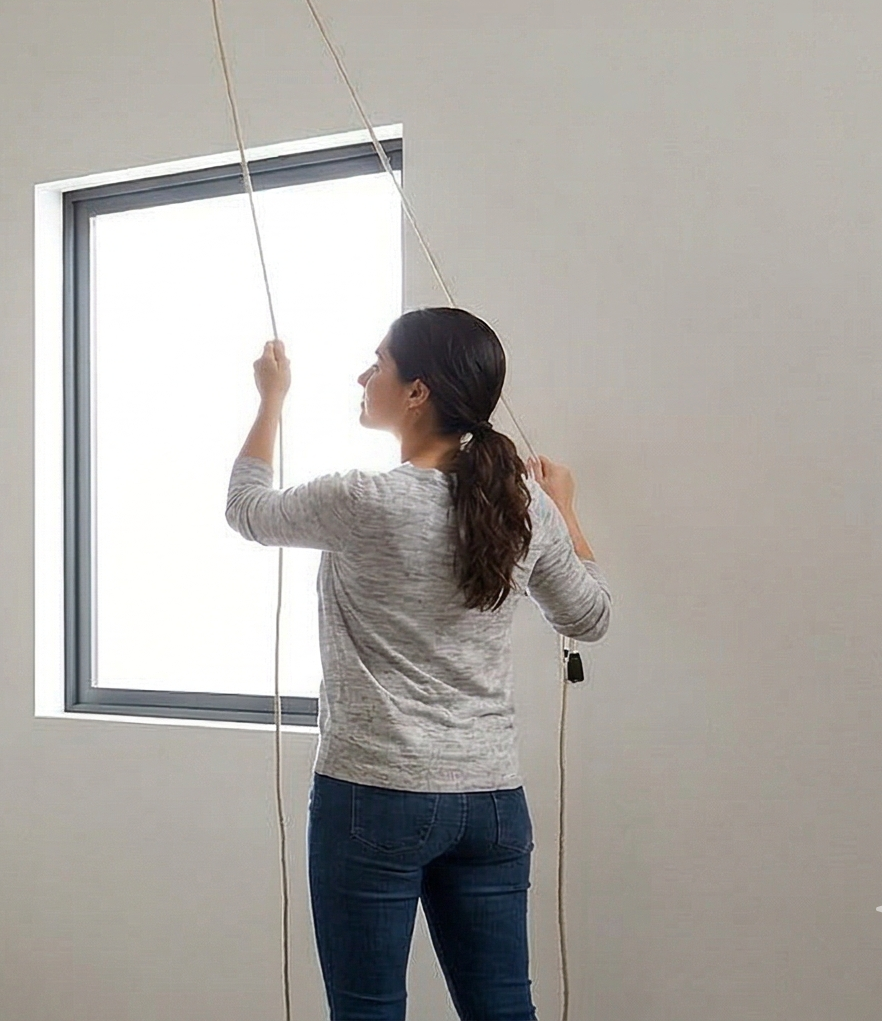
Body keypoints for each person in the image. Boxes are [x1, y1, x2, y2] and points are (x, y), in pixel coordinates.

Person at [227, 307, 610, 1021]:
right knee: (503, 1010)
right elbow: (589, 617)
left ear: (417, 392)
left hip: (374, 796)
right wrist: (566, 510)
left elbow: (247, 510)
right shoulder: (525, 506)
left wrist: (271, 397)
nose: (364, 375)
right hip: (492, 803)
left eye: (378, 363)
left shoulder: (362, 498)